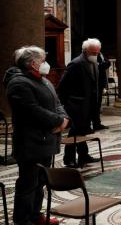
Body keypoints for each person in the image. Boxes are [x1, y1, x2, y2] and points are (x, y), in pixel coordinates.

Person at [4, 46, 68, 225]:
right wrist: (58, 121)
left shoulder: (44, 80)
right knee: (27, 184)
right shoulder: (19, 83)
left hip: (46, 140)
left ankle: (35, 215)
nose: (46, 63)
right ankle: (22, 220)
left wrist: (64, 119)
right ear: (33, 64)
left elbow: (57, 102)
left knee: (40, 182)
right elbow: (33, 111)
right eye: (43, 60)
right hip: (30, 143)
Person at [57, 38, 103, 168]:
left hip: (89, 104)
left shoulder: (93, 62)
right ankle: (68, 158)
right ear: (85, 51)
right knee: (74, 132)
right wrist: (69, 104)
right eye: (94, 53)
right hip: (76, 106)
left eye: (98, 52)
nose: (96, 55)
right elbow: (62, 86)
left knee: (82, 131)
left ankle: (84, 155)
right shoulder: (76, 64)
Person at [93, 52, 110, 130]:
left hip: (100, 84)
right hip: (94, 84)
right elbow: (100, 66)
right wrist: (102, 64)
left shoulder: (101, 54)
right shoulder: (93, 56)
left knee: (98, 105)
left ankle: (97, 123)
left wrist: (103, 63)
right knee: (94, 105)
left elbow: (108, 63)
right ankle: (94, 124)